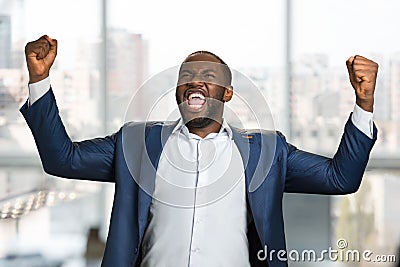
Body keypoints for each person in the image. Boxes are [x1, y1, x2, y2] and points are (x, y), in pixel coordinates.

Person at [21, 35, 378, 267]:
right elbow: (61, 159)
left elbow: (340, 178)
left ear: (227, 93)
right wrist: (39, 80)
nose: (194, 80)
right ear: (178, 92)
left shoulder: (267, 150)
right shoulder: (135, 144)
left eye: (207, 74)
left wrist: (364, 102)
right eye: (186, 76)